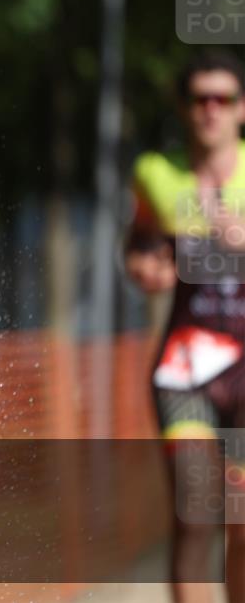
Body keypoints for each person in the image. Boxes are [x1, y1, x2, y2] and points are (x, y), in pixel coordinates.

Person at [125, 49, 245, 603]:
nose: (211, 110)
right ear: (183, 106)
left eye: (223, 98)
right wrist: (144, 265)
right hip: (187, 365)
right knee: (197, 513)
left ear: (241, 107)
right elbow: (139, 245)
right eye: (200, 99)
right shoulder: (156, 175)